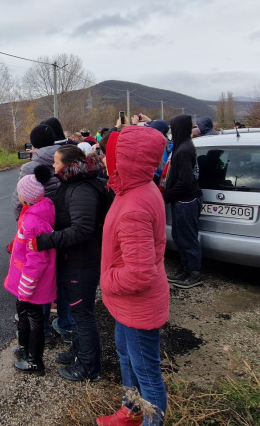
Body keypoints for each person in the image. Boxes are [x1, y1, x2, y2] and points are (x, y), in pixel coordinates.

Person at [97, 126, 169, 426]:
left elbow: (138, 274)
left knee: (147, 374)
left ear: (124, 160)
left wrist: (105, 282)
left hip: (137, 304)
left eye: (108, 154)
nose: (103, 159)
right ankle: (131, 410)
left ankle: (150, 420)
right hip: (128, 306)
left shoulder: (134, 206)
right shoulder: (135, 188)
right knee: (127, 360)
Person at [36, 144, 109, 382]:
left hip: (82, 262)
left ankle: (89, 367)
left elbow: (82, 229)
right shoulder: (72, 183)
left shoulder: (81, 189)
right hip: (73, 260)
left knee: (83, 314)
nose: (53, 166)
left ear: (67, 166)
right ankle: (78, 352)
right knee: (79, 312)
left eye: (56, 162)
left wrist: (46, 241)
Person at [11, 123, 73, 344]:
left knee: (41, 279)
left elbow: (18, 201)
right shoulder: (66, 157)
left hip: (38, 229)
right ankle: (67, 327)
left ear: (34, 143)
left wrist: (21, 224)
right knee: (62, 278)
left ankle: (42, 329)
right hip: (64, 227)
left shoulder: (31, 167)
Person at [4, 166, 57, 375]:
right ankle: (24, 348)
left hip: (32, 282)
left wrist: (26, 287)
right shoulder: (35, 212)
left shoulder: (33, 222)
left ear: (25, 198)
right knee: (23, 313)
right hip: (25, 279)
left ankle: (36, 361)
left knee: (34, 319)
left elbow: (37, 260)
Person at [162, 114, 203, 289]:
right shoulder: (181, 147)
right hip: (181, 199)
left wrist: (167, 196)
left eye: (173, 128)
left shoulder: (184, 150)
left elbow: (185, 180)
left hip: (187, 200)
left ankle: (194, 273)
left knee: (188, 238)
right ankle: (184, 268)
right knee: (179, 237)